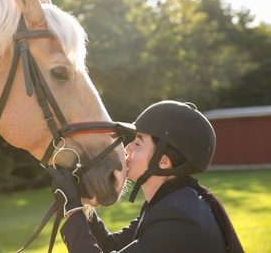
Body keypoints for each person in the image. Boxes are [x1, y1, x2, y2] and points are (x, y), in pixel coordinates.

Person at [48, 100, 244, 253]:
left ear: (164, 161)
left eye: (138, 144)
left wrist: (73, 209)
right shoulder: (171, 203)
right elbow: (111, 245)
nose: (127, 149)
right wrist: (82, 201)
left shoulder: (177, 217)